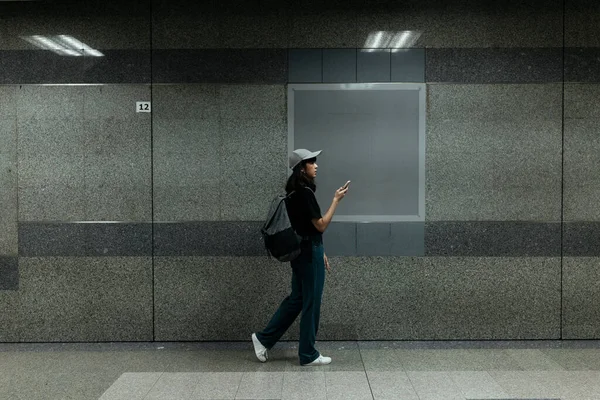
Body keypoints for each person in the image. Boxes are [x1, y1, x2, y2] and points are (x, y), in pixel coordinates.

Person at [251, 148, 350, 366]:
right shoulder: (305, 194)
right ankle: (308, 354)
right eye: (311, 162)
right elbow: (320, 225)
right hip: (308, 253)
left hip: (301, 252)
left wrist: (320, 250)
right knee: (311, 302)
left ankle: (263, 338)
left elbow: (305, 228)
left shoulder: (292, 194)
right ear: (301, 168)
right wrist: (336, 200)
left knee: (297, 299)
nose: (316, 165)